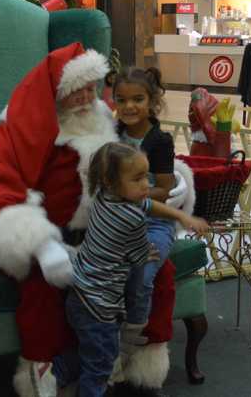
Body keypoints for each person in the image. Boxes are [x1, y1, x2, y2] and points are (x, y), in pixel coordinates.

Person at [0, 42, 193, 397]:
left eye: (93, 88)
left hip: (103, 232)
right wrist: (44, 247)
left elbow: (139, 160)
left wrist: (176, 181)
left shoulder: (106, 116)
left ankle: (132, 362)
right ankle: (47, 376)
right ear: (57, 92)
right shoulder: (18, 128)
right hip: (51, 238)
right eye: (78, 90)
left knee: (156, 270)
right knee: (43, 287)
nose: (89, 97)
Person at [62, 142, 210, 397]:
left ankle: (53, 372)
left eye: (146, 177)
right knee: (100, 367)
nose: (147, 186)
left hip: (79, 296)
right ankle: (130, 334)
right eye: (138, 179)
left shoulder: (104, 198)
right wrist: (149, 251)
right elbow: (141, 256)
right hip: (100, 308)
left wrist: (180, 216)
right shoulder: (129, 219)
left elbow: (149, 206)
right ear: (111, 182)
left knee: (89, 353)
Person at [112, 67, 177, 352]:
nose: (129, 107)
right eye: (121, 100)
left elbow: (166, 188)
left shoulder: (160, 141)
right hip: (116, 221)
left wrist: (135, 194)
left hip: (154, 223)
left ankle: (133, 331)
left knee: (142, 272)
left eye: (137, 99)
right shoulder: (112, 134)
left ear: (152, 101)